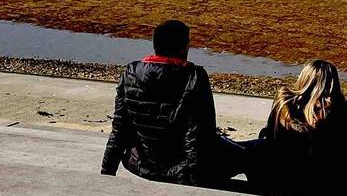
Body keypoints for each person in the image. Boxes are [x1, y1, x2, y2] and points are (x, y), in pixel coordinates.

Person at [101, 19, 248, 186]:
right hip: (182, 170)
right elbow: (197, 137)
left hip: (141, 165)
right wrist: (194, 184)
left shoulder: (131, 73)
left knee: (238, 148)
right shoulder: (194, 77)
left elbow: (119, 130)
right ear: (183, 47)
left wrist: (106, 174)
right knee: (254, 153)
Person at [252, 59, 347, 196]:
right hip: (335, 190)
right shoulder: (343, 110)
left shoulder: (284, 104)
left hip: (287, 182)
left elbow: (269, 138)